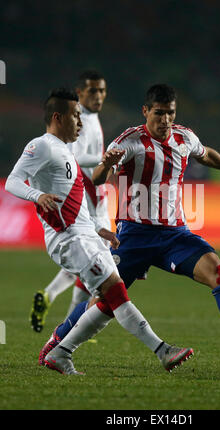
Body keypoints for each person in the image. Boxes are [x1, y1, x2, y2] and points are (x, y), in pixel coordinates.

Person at [39, 84, 220, 369]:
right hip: (134, 236)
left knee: (219, 272)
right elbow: (100, 177)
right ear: (146, 111)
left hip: (175, 235)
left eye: (170, 113)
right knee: (106, 300)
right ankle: (58, 341)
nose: (165, 120)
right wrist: (106, 165)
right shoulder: (130, 141)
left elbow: (206, 153)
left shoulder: (184, 137)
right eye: (159, 113)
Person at [5, 87, 193, 375]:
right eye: (76, 116)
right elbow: (13, 182)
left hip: (87, 235)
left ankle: (61, 352)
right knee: (115, 292)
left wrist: (98, 228)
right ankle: (162, 350)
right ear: (58, 117)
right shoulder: (40, 146)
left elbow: (72, 198)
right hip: (68, 239)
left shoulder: (65, 151)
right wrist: (37, 196)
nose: (81, 122)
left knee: (107, 299)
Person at [30, 70, 113, 333]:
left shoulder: (91, 118)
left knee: (87, 262)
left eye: (101, 90)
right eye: (92, 91)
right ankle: (72, 327)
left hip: (94, 198)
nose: (98, 96)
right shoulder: (82, 120)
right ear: (80, 94)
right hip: (87, 199)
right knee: (94, 262)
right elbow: (72, 157)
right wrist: (107, 159)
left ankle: (52, 297)